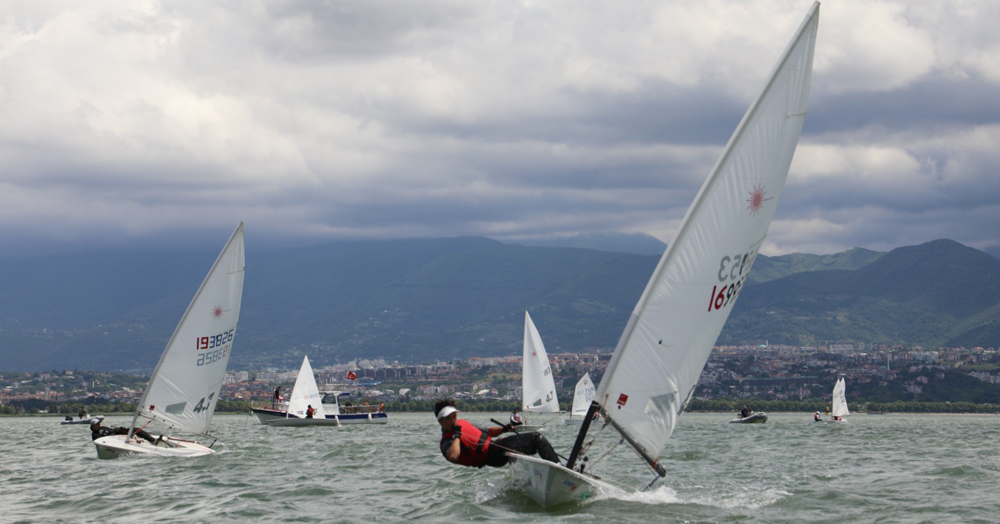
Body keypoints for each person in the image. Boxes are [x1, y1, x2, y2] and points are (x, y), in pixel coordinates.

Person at [435, 399, 559, 469]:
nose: (453, 421)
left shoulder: (462, 424)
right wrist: (457, 435)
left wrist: (503, 429)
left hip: (495, 447)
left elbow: (488, 431)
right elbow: (453, 456)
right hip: (492, 455)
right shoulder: (447, 441)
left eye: (454, 416)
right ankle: (559, 467)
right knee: (537, 438)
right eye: (448, 418)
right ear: (441, 421)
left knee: (531, 446)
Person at [90, 419, 157, 445]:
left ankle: (152, 440)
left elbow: (110, 430)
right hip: (112, 438)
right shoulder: (94, 435)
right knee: (132, 430)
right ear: (93, 426)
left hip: (117, 433)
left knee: (134, 429)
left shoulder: (103, 427)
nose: (99, 424)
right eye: (97, 424)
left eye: (99, 423)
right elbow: (100, 441)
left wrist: (116, 429)